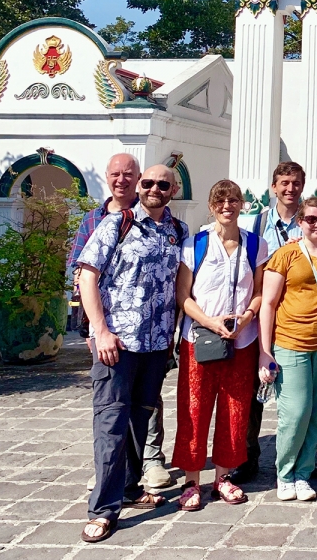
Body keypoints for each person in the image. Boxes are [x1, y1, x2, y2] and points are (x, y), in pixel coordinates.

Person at [76, 165, 188, 543]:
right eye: (148, 183)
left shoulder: (177, 231)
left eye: (163, 184)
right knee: (111, 423)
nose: (154, 189)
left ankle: (129, 486)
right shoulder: (117, 223)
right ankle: (103, 509)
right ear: (139, 187)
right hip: (118, 344)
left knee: (140, 419)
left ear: (173, 190)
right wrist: (100, 330)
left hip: (157, 345)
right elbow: (87, 275)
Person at [172, 179, 267, 510]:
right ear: (212, 207)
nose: (227, 206)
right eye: (220, 201)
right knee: (194, 409)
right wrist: (211, 322)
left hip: (242, 340)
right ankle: (191, 481)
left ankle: (223, 477)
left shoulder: (256, 244)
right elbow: (183, 295)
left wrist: (245, 318)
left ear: (242, 205)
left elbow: (258, 290)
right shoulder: (194, 244)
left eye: (234, 200)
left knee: (235, 409)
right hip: (199, 338)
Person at [258, 197, 317, 501]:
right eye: (311, 219)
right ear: (300, 221)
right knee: (295, 411)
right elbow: (268, 304)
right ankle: (284, 472)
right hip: (290, 342)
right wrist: (264, 350)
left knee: (316, 414)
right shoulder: (286, 255)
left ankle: (303, 472)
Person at [233, 160, 307, 484]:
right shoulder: (256, 223)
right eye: (284, 183)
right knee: (252, 392)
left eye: (295, 183)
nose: (290, 189)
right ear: (274, 187)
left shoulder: (313, 221)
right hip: (261, 317)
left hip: (299, 319)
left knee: (299, 393)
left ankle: (300, 456)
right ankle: (247, 457)